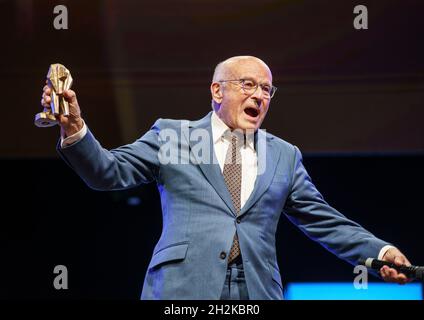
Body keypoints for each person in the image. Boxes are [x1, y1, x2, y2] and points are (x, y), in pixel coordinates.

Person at [41, 56, 412, 300]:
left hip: (257, 291)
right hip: (183, 289)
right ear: (217, 91)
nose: (260, 96)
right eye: (248, 85)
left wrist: (379, 252)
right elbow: (107, 172)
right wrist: (74, 127)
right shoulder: (176, 137)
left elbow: (324, 221)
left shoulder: (284, 155)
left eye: (267, 90)